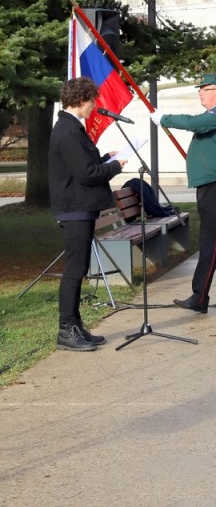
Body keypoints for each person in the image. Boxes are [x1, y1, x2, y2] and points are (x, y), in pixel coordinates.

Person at [153, 72, 216, 313]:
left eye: (205, 89)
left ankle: (200, 295)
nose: (200, 92)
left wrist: (164, 118)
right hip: (209, 184)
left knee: (210, 240)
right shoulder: (215, 114)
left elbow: (193, 123)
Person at [48, 77, 126, 350]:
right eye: (92, 101)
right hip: (74, 209)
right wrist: (115, 166)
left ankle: (76, 326)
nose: (94, 107)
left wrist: (105, 158)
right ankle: (66, 330)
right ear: (81, 101)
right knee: (74, 270)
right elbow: (86, 174)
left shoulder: (72, 128)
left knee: (79, 269)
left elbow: (84, 165)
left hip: (80, 208)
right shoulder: (67, 130)